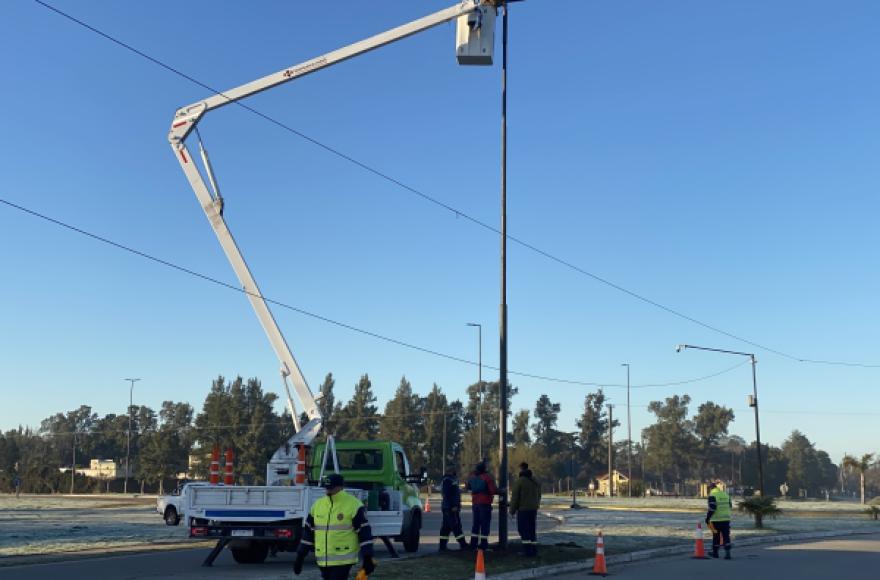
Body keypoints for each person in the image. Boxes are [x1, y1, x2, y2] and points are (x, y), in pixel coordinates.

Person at [294, 473, 376, 579]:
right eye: (326, 488)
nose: (328, 490)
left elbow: (365, 533)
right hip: (322, 560)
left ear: (340, 487)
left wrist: (368, 556)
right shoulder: (317, 505)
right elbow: (308, 534)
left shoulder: (353, 505)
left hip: (344, 559)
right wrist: (300, 557)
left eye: (331, 488)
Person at [509, 462, 541, 557]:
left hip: (523, 510)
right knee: (532, 529)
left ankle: (527, 551)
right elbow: (539, 495)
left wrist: (512, 511)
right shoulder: (535, 482)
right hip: (533, 509)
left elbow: (515, 497)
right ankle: (534, 549)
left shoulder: (520, 482)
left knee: (523, 530)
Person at [466, 462, 497, 550]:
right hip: (485, 503)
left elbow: (468, 487)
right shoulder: (487, 477)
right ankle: (483, 544)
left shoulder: (472, 477)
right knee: (485, 524)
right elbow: (493, 490)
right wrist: (501, 491)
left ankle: (473, 543)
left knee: (476, 524)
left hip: (475, 503)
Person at [438, 465, 469, 551]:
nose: (455, 472)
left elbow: (455, 492)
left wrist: (463, 489)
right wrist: (453, 506)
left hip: (449, 507)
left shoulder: (452, 480)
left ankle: (442, 546)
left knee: (446, 528)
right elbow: (447, 494)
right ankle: (463, 544)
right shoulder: (447, 480)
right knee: (456, 526)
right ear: (450, 471)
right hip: (450, 508)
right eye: (454, 471)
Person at [706, 479, 732, 560]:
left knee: (716, 536)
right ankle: (727, 553)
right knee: (726, 536)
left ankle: (715, 553)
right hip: (726, 519)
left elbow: (712, 508)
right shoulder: (725, 494)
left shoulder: (712, 495)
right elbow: (730, 506)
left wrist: (707, 518)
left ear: (710, 488)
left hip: (715, 520)